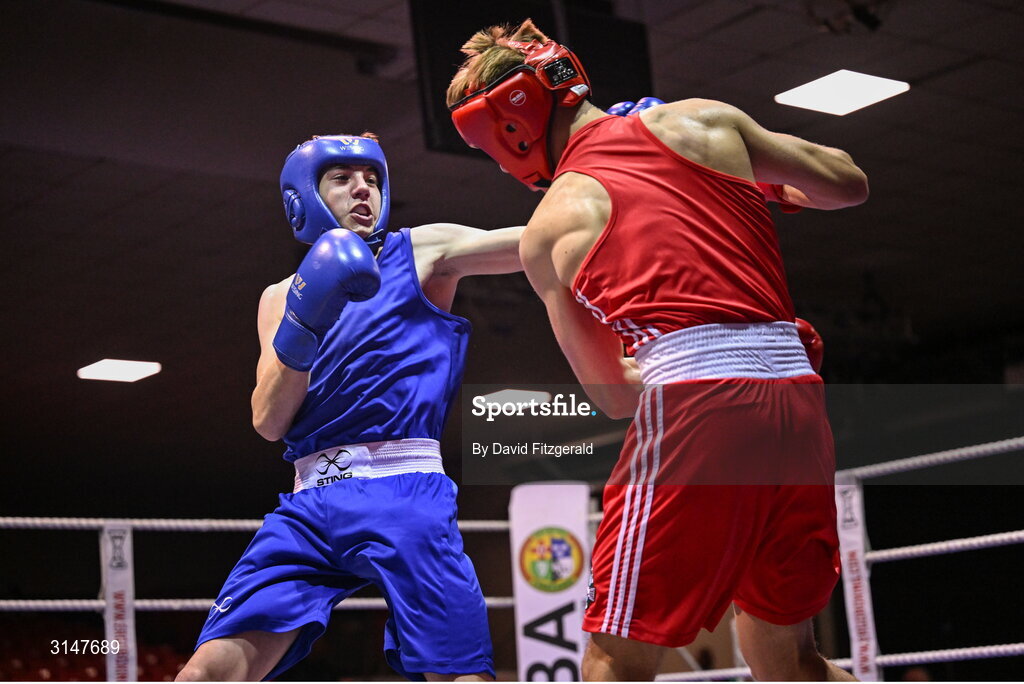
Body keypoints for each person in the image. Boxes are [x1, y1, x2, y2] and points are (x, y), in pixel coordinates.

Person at [447, 21, 867, 682]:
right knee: (788, 659)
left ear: (509, 130)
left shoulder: (551, 226)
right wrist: (760, 183)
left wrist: (666, 360)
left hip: (699, 416)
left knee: (614, 660)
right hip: (798, 398)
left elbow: (612, 398)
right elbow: (848, 184)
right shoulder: (703, 121)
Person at [176, 133, 524, 682]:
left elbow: (538, 242)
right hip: (310, 505)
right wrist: (302, 322)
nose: (364, 189)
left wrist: (609, 192)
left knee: (459, 676)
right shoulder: (278, 297)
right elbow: (268, 422)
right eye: (342, 179)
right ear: (303, 198)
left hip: (404, 491)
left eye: (373, 179)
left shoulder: (423, 250)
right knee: (204, 673)